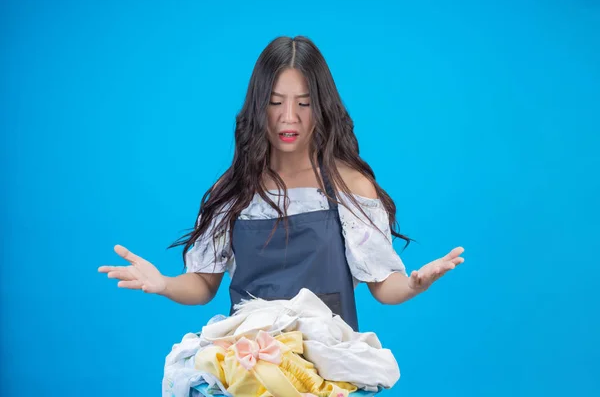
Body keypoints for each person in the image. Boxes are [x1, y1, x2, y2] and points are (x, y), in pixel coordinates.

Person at [98, 35, 465, 333]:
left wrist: (416, 284)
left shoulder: (352, 187)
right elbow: (203, 285)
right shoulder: (234, 191)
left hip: (328, 370)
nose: (289, 117)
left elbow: (385, 286)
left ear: (322, 107)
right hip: (249, 364)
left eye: (304, 103)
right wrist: (164, 283)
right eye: (275, 102)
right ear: (259, 106)